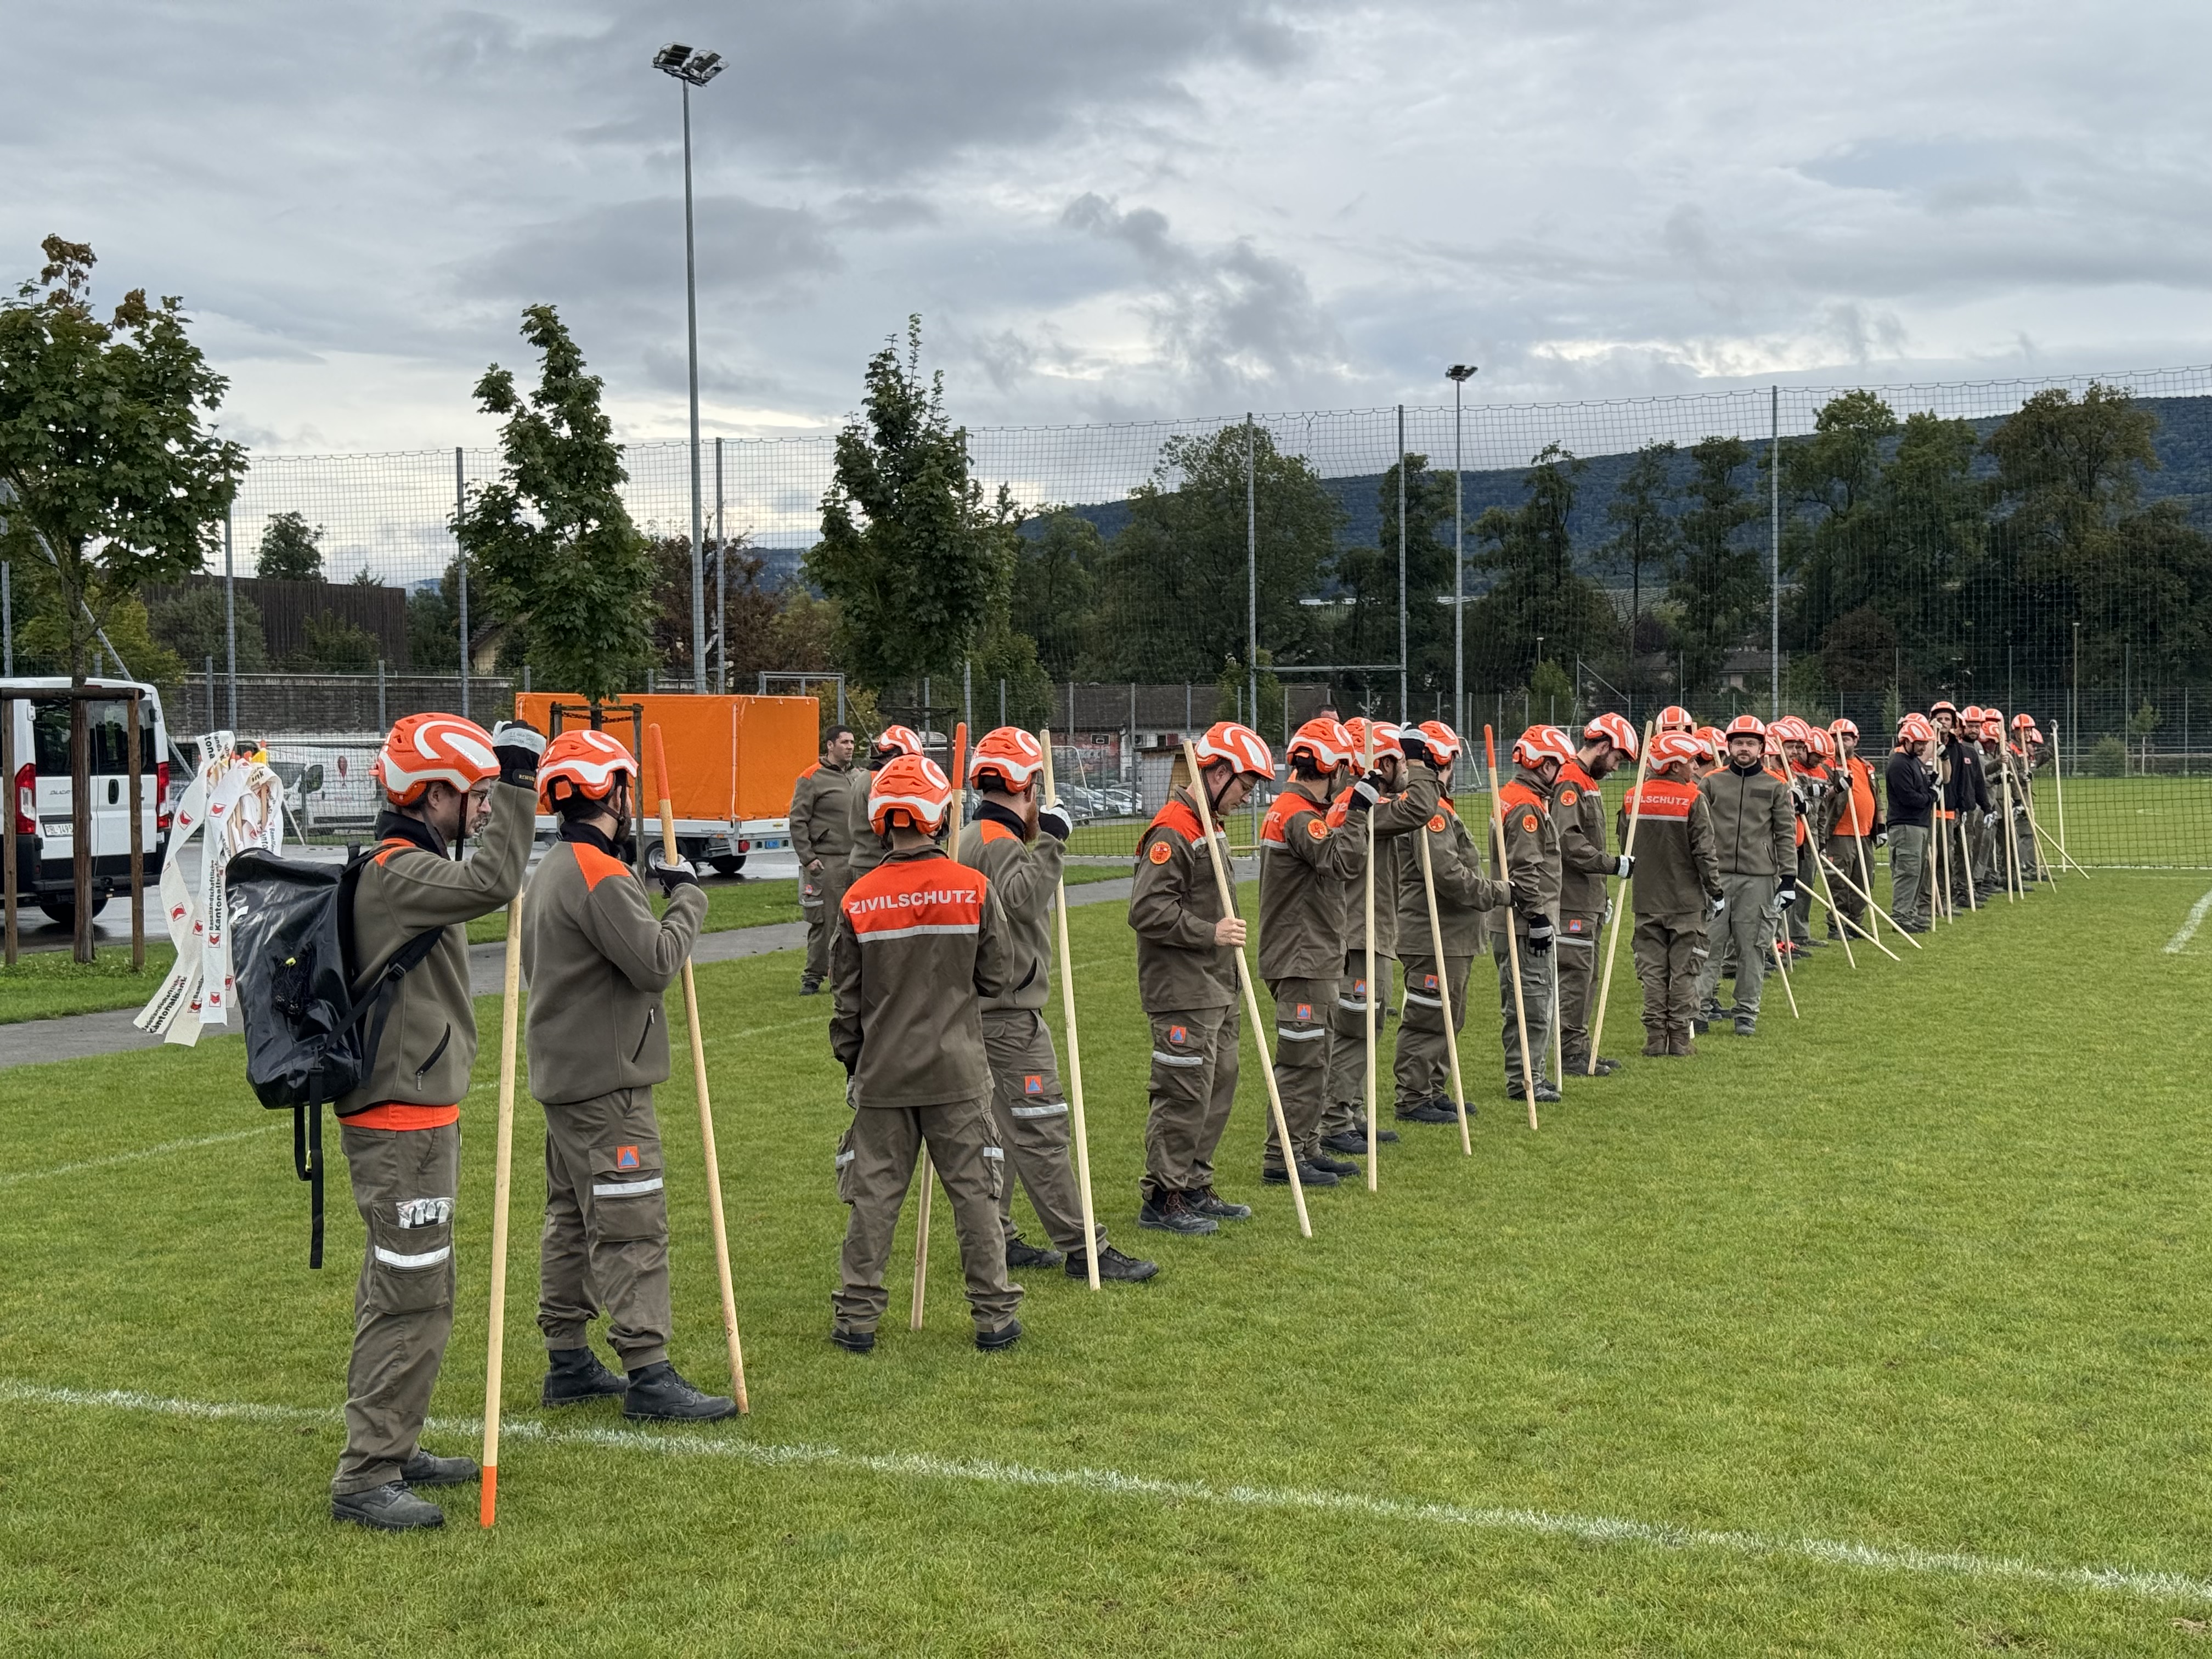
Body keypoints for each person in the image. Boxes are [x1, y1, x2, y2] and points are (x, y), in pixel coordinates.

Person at [328, 713, 540, 1531]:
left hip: (415, 1111)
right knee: (410, 1293)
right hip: (399, 1120)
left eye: (490, 795)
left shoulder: (403, 868)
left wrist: (506, 790)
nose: (482, 810)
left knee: (415, 1286)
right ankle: (366, 1474)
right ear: (431, 794)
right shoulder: (397, 872)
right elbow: (495, 883)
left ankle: (395, 1441)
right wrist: (523, 783)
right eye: (474, 794)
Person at [521, 729, 733, 1422]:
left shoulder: (552, 870)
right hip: (607, 1085)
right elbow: (654, 964)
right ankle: (648, 1370)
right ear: (609, 791)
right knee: (631, 1221)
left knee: (572, 1220)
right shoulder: (600, 875)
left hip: (565, 1077)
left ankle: (569, 1358)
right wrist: (689, 899)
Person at [828, 753, 1023, 1353]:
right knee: (976, 1198)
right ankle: (993, 1316)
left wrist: (854, 1061)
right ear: (939, 818)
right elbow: (998, 977)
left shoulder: (858, 898)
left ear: (883, 821)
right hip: (958, 1073)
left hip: (883, 1076)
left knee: (873, 1198)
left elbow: (846, 1002)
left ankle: (856, 1318)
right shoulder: (974, 889)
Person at [956, 726, 1156, 1283]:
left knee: (1002, 1130)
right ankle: (1083, 1245)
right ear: (1027, 784)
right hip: (1007, 1013)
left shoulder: (969, 835)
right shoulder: (998, 844)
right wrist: (1054, 841)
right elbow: (1024, 898)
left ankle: (998, 1234)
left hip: (980, 1010)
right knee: (1041, 1125)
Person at [1128, 721, 1273, 1237]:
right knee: (1183, 1088)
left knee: (1220, 1082)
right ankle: (1163, 1195)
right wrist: (1209, 931)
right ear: (1216, 773)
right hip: (1182, 987)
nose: (1246, 797)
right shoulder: (1174, 828)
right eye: (1244, 786)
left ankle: (1193, 1181)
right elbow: (1147, 910)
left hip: (1218, 984)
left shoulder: (1210, 823)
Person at [1255, 718, 1372, 1187]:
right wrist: (1359, 812)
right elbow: (1343, 862)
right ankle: (1283, 1156)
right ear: (1331, 768)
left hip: (1311, 953)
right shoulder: (1299, 815)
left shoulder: (1299, 810)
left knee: (1316, 1055)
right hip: (1301, 956)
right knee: (1301, 1060)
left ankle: (1305, 1147)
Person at [1319, 719, 1440, 1149]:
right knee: (1357, 1029)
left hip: (1369, 931)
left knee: (1365, 1029)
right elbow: (1422, 805)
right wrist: (1419, 758)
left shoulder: (1363, 803)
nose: (1406, 771)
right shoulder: (1362, 805)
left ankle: (1351, 1112)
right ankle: (1336, 1121)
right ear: (1385, 762)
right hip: (1360, 935)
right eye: (1400, 762)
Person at [1391, 721, 1508, 1122]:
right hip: (1431, 933)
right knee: (1428, 1016)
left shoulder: (1439, 807)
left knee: (1449, 1016)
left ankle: (1433, 1088)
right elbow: (1447, 874)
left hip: (1452, 934)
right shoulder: (1431, 812)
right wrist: (1498, 892)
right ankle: (1413, 1096)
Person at [1618, 731, 1723, 1056]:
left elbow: (1626, 846)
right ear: (1676, 765)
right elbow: (1705, 852)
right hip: (1686, 902)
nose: (1695, 767)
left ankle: (1654, 1039)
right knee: (1685, 972)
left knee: (1652, 973)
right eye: (1691, 761)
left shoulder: (1631, 797)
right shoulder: (1693, 798)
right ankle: (1679, 1039)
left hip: (1646, 900)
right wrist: (1716, 891)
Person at [1693, 715, 1794, 1038]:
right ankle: (1700, 1009)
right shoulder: (1711, 783)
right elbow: (1696, 829)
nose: (1744, 749)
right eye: (1739, 743)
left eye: (1751, 743)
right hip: (1716, 878)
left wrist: (1789, 878)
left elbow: (1786, 834)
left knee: (1753, 949)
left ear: (1762, 748)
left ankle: (1746, 1012)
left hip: (1759, 880)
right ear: (1729, 747)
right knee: (1708, 946)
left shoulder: (1776, 786)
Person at [1554, 713, 1638, 1075]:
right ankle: (1569, 1052)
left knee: (1586, 974)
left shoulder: (1586, 780)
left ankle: (1580, 1046)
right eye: (1617, 758)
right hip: (1570, 898)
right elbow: (1567, 840)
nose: (1617, 767)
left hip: (1586, 897)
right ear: (1603, 747)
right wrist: (1611, 864)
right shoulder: (1571, 780)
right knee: (1575, 974)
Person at [1493, 725, 1572, 1103]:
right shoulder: (1526, 806)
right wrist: (1538, 918)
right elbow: (1525, 867)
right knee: (1533, 1003)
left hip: (1514, 919)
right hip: (1525, 924)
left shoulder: (1513, 797)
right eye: (1558, 765)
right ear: (1544, 766)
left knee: (1526, 999)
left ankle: (1528, 1073)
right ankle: (1527, 1078)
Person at [789, 724, 857, 995]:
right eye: (844, 742)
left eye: (853, 742)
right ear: (830, 746)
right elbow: (797, 821)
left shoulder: (859, 776)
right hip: (825, 863)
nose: (850, 747)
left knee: (856, 921)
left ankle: (849, 976)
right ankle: (813, 976)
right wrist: (808, 858)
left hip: (856, 860)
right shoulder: (811, 778)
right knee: (825, 921)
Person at [1822, 719, 1883, 940]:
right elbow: (1823, 796)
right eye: (1835, 740)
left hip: (1865, 833)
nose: (1840, 744)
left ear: (1855, 741)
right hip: (1840, 833)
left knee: (1864, 880)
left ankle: (1855, 923)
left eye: (1845, 739)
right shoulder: (1828, 766)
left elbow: (1877, 797)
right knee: (1840, 881)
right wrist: (1837, 788)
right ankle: (1837, 924)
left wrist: (1882, 825)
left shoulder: (1866, 766)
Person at [843, 725, 925, 887]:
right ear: (896, 756)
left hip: (863, 862)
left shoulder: (865, 777)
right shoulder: (881, 782)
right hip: (877, 864)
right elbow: (892, 831)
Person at [1884, 714, 1938, 932]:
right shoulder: (1898, 764)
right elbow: (1909, 797)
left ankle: (1910, 913)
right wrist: (1932, 796)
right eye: (1921, 743)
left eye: (1925, 743)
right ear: (1906, 741)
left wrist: (1930, 784)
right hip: (1906, 825)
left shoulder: (1914, 762)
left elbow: (1920, 789)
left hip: (1919, 824)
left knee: (1918, 870)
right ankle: (1901, 916)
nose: (1924, 747)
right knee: (1907, 871)